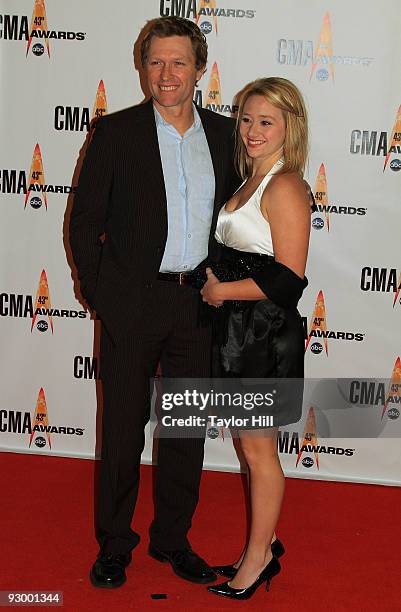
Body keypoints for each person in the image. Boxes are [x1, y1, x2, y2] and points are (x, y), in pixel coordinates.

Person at [69, 16, 240, 588]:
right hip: (131, 305)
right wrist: (104, 297)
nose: (166, 75)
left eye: (179, 62)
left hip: (196, 305)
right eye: (156, 62)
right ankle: (115, 545)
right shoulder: (115, 134)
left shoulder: (224, 135)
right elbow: (83, 224)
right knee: (122, 430)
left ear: (200, 69)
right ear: (142, 67)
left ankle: (172, 540)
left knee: (185, 433)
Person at [200, 77, 310, 600]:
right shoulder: (250, 179)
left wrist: (224, 292)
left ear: (290, 128)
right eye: (246, 119)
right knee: (251, 447)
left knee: (260, 453)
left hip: (262, 332)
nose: (251, 131)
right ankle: (261, 547)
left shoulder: (285, 186)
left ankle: (259, 558)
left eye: (266, 121)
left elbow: (289, 280)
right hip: (240, 331)